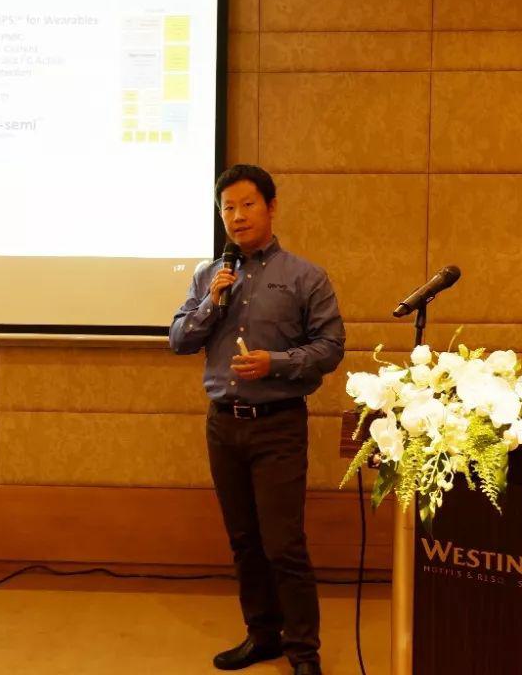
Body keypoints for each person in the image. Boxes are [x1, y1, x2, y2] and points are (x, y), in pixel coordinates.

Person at [169, 164, 345, 674]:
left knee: (283, 544)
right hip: (223, 424)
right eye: (228, 208)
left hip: (278, 424)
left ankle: (303, 651)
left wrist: (277, 363)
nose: (237, 216)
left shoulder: (306, 276)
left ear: (271, 207)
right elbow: (179, 339)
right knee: (244, 541)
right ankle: (262, 635)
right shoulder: (209, 276)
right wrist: (210, 303)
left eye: (248, 204)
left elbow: (331, 347)